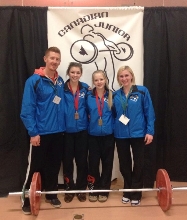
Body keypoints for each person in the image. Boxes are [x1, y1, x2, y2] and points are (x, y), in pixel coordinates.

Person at [20, 47, 65, 214]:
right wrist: (33, 132)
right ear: (45, 59)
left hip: (57, 131)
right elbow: (27, 109)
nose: (54, 61)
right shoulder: (34, 81)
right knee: (35, 168)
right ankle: (26, 199)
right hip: (40, 132)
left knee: (53, 166)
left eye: (57, 59)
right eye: (52, 58)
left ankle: (51, 194)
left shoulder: (59, 81)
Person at [113, 66, 155, 206]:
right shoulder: (115, 95)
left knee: (139, 164)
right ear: (118, 78)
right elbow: (113, 115)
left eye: (126, 75)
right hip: (121, 135)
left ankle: (136, 192)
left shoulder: (142, 91)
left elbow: (149, 112)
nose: (124, 78)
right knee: (124, 165)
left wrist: (150, 131)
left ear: (131, 76)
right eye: (121, 76)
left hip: (139, 133)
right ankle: (127, 190)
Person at [86, 70, 115, 203]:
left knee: (107, 163)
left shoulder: (112, 96)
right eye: (96, 80)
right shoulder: (88, 96)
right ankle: (94, 188)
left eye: (101, 79)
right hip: (93, 135)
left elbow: (115, 115)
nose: (99, 82)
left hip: (108, 135)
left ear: (105, 80)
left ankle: (104, 189)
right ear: (93, 82)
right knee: (93, 163)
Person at [63, 62, 89, 203]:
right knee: (67, 162)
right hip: (66, 131)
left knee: (81, 162)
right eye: (72, 72)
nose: (75, 75)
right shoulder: (61, 88)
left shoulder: (86, 88)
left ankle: (80, 189)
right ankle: (69, 189)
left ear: (81, 73)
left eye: (77, 72)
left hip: (82, 131)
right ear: (68, 73)